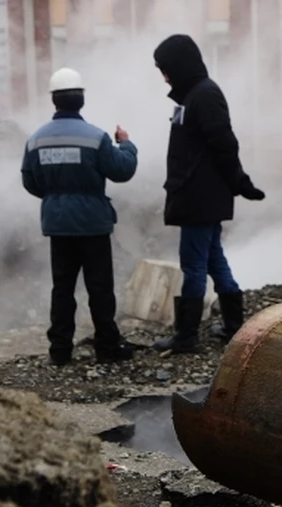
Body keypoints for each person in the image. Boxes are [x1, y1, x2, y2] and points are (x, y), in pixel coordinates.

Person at [151, 34, 266, 354]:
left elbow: (224, 144)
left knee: (194, 265)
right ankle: (233, 327)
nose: (164, 77)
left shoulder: (204, 96)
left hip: (199, 198)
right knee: (214, 259)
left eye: (166, 69)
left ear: (181, 65)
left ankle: (187, 337)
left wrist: (240, 182)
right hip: (198, 195)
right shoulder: (192, 97)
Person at [21, 67, 139, 366]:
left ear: (54, 101)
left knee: (62, 289)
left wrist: (56, 198)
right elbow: (122, 170)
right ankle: (107, 348)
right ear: (81, 100)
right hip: (92, 225)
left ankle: (60, 350)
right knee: (100, 288)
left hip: (58, 227)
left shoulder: (36, 140)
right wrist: (125, 143)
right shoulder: (96, 137)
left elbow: (30, 181)